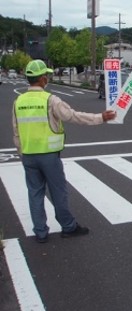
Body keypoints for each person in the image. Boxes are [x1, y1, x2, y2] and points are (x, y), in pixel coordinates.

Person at [12, 59, 117, 243]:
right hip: (49, 156)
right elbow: (73, 116)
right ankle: (68, 227)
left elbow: (16, 133)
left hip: (28, 155)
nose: (48, 78)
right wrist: (101, 117)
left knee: (35, 193)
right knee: (58, 192)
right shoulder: (50, 100)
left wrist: (22, 153)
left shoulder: (18, 102)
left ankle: (40, 232)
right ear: (43, 78)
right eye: (47, 76)